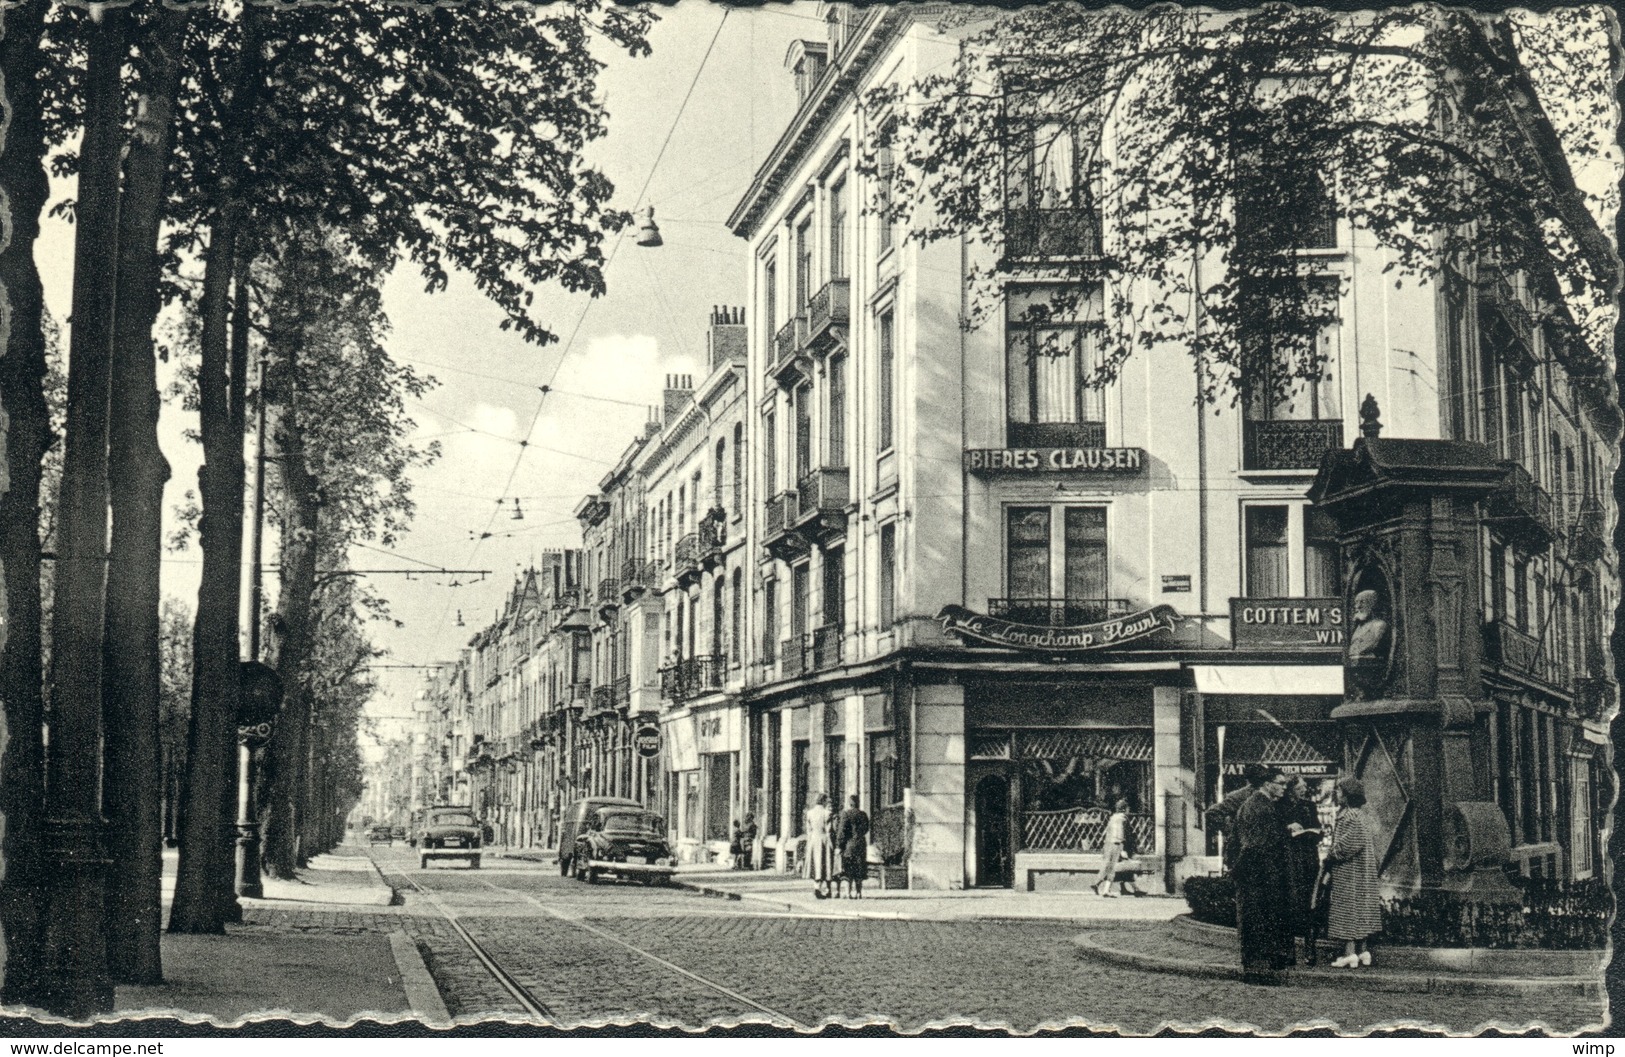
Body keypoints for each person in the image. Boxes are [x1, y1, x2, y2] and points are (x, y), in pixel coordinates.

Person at [1233, 768, 1293, 984]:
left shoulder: (1260, 805)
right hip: (1258, 875)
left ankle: (1258, 968)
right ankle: (1258, 971)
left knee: (1258, 921)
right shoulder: (1260, 807)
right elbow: (1255, 845)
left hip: (1258, 873)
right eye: (1281, 783)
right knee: (1257, 920)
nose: (1285, 787)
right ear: (1267, 784)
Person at [1325, 777, 1382, 968]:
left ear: (1348, 795)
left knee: (1348, 909)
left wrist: (1331, 854)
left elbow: (1348, 844)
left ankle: (1349, 953)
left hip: (1350, 873)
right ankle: (1363, 951)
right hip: (1362, 872)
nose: (1337, 794)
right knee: (1362, 910)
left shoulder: (1349, 816)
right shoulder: (1361, 816)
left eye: (1340, 791)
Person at [1279, 775, 1325, 965]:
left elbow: (1318, 828)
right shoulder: (1279, 806)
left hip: (1308, 860)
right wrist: (1287, 828)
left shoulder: (1309, 806)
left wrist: (1315, 832)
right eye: (1300, 788)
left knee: (1310, 905)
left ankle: (1309, 949)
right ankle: (1289, 950)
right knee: (1288, 905)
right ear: (1291, 789)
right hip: (1288, 860)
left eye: (1304, 787)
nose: (1304, 790)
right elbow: (1273, 829)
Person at [1205, 763, 1269, 871]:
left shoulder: (1270, 795)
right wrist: (1232, 831)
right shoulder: (1240, 796)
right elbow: (1212, 813)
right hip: (1241, 851)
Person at [1093, 799, 1131, 897]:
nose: (1128, 810)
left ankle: (1101, 886)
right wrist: (1122, 849)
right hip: (1117, 844)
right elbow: (1119, 833)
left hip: (1109, 843)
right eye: (1127, 808)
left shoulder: (1113, 818)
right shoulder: (1122, 818)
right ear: (1124, 809)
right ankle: (1102, 887)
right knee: (1113, 867)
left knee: (1110, 866)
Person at [836, 794, 871, 899]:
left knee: (849, 869)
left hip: (849, 845)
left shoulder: (846, 814)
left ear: (849, 803)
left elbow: (842, 831)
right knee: (859, 868)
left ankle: (848, 892)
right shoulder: (863, 814)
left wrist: (839, 845)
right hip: (861, 844)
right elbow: (866, 829)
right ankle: (859, 892)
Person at [804, 794, 835, 899]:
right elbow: (829, 830)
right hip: (823, 840)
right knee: (825, 864)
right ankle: (825, 889)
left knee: (816, 864)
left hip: (813, 840)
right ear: (824, 801)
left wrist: (810, 841)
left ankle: (816, 887)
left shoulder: (809, 813)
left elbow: (808, 830)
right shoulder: (827, 813)